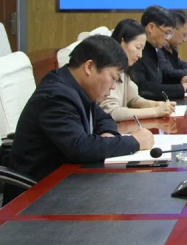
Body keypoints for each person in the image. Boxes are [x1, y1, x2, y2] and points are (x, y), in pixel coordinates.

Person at [4, 35, 153, 203]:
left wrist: (108, 134)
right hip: (36, 197)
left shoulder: (76, 87)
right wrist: (134, 142)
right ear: (89, 67)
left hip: (66, 184)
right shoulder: (56, 95)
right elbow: (79, 147)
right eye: (113, 77)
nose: (113, 87)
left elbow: (104, 118)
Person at [101, 19, 176, 121]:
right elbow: (112, 112)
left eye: (142, 49)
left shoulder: (124, 70)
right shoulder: (106, 70)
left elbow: (133, 99)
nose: (140, 55)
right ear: (122, 42)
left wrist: (156, 104)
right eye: (137, 47)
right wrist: (155, 112)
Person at [131, 5, 187, 100]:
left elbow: (162, 76)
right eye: (167, 33)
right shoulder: (137, 52)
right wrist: (181, 88)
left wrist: (181, 79)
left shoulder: (155, 49)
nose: (167, 38)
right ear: (151, 28)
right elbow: (143, 88)